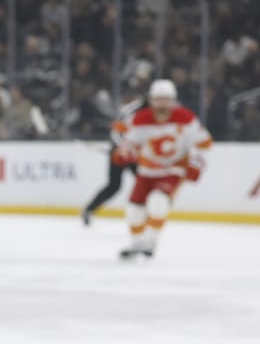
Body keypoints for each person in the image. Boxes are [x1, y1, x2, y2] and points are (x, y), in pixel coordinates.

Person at [113, 79, 213, 260]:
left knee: (158, 202)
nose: (162, 104)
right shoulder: (140, 119)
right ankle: (137, 243)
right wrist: (123, 153)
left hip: (173, 171)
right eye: (158, 99)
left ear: (173, 100)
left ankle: (150, 242)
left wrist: (196, 165)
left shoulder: (186, 118)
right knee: (134, 210)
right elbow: (129, 144)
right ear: (151, 100)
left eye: (166, 99)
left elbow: (205, 144)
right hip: (146, 171)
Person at [82, 95, 142, 226]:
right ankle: (89, 209)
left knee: (145, 183)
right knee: (114, 185)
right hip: (120, 153)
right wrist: (124, 148)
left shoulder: (159, 112)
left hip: (136, 155)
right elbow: (116, 132)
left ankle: (144, 215)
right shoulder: (133, 110)